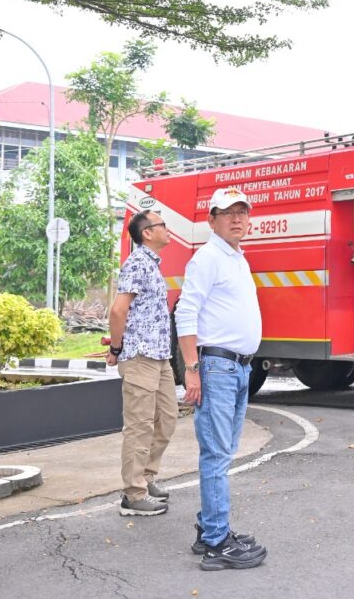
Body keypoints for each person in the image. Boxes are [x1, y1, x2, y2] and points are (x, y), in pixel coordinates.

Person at [175, 187, 267, 571]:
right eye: (227, 213)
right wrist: (191, 369)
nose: (236, 219)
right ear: (211, 220)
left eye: (242, 212)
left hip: (238, 367)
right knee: (216, 454)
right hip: (216, 368)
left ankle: (210, 528)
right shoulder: (208, 258)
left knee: (222, 452)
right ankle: (216, 542)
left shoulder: (236, 258)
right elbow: (186, 312)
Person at [108, 209, 178, 517]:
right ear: (147, 233)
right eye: (162, 224)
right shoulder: (137, 263)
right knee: (139, 426)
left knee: (167, 418)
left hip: (160, 356)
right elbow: (117, 311)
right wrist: (116, 346)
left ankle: (146, 478)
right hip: (140, 357)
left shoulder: (151, 264)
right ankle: (133, 495)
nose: (168, 229)